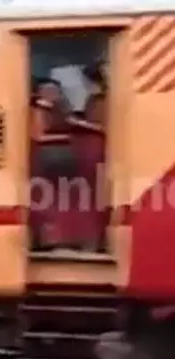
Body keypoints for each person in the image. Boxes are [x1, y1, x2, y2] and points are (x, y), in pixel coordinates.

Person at [30, 78, 78, 251]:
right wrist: (66, 137)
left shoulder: (59, 110)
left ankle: (59, 236)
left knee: (59, 200)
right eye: (49, 90)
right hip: (47, 157)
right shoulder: (39, 110)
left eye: (56, 91)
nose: (54, 94)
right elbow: (38, 135)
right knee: (48, 200)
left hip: (58, 158)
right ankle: (47, 238)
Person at [66, 62, 108, 250]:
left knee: (93, 197)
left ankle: (93, 241)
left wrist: (79, 123)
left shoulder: (102, 100)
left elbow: (104, 126)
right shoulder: (95, 99)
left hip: (95, 151)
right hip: (89, 151)